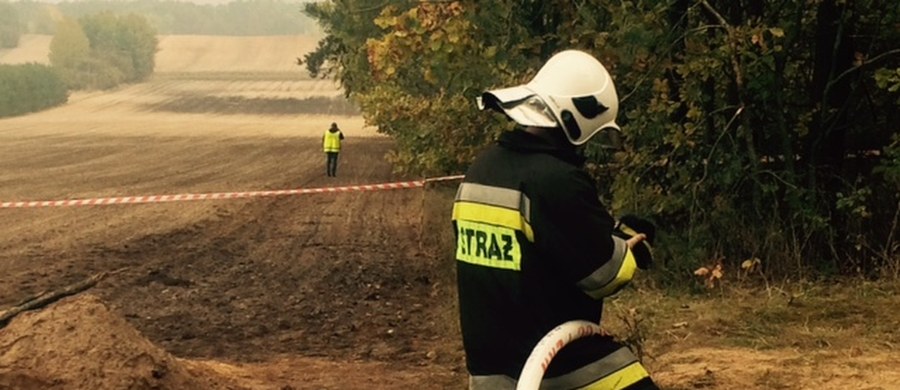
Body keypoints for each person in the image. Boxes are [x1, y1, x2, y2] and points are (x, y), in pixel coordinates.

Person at [452, 49, 659, 389]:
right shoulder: (555, 179)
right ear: (577, 118)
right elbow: (604, 274)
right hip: (558, 367)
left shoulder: (481, 169)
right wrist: (629, 243)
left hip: (489, 372)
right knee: (630, 378)